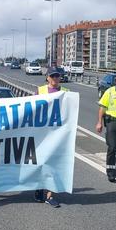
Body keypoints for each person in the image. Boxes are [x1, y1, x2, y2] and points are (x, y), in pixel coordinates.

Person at [34, 68, 70, 207]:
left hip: (58, 132)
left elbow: (70, 110)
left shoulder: (66, 92)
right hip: (42, 132)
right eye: (52, 76)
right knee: (40, 162)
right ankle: (38, 188)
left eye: (57, 76)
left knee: (54, 163)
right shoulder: (40, 90)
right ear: (47, 78)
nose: (55, 78)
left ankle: (50, 195)